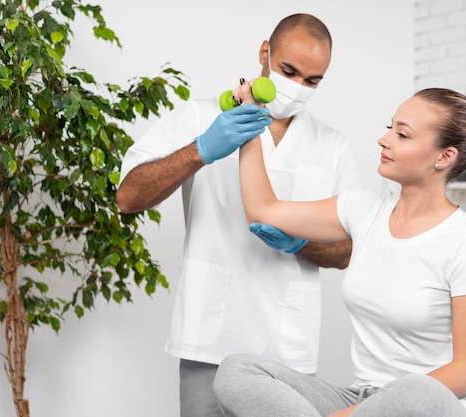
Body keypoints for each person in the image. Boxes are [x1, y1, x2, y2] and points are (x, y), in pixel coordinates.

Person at [213, 87, 466, 417]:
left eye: (402, 134)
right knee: (237, 371)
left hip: (431, 406)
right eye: (390, 127)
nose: (384, 139)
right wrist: (248, 127)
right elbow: (263, 209)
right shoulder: (364, 209)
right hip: (361, 399)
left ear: (444, 157)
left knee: (416, 389)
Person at [115, 13, 361, 417]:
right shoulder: (199, 116)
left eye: (312, 80)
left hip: (287, 352)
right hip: (210, 338)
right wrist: (201, 149)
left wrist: (302, 244)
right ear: (265, 52)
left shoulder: (332, 146)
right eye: (289, 71)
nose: (298, 87)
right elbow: (128, 196)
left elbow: (349, 250)